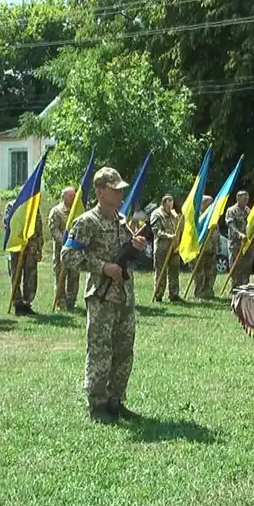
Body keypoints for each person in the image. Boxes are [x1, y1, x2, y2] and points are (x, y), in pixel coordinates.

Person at [61, 167, 148, 423]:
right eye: (115, 189)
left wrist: (137, 247)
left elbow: (126, 253)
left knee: (124, 350)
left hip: (124, 295)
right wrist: (102, 267)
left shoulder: (121, 220)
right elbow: (68, 255)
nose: (121, 193)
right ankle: (97, 404)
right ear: (100, 192)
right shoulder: (87, 221)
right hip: (102, 297)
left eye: (121, 189)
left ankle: (115, 400)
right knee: (101, 351)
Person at [5, 200, 43, 316]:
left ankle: (27, 303)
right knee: (15, 275)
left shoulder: (34, 205)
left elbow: (39, 228)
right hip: (16, 246)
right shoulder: (12, 205)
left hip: (31, 247)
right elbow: (8, 224)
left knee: (31, 276)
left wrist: (39, 246)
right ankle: (17, 304)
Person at [49, 187, 80, 310]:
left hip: (75, 251)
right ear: (63, 197)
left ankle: (71, 302)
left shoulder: (77, 211)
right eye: (70, 196)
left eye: (74, 195)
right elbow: (54, 230)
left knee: (74, 276)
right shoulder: (56, 211)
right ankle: (61, 302)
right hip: (60, 251)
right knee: (60, 276)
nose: (73, 198)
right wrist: (65, 243)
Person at [150, 194, 182, 302]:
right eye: (168, 205)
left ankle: (174, 294)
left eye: (171, 205)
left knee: (174, 271)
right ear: (163, 203)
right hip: (162, 248)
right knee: (161, 272)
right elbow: (156, 230)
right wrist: (168, 236)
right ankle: (158, 295)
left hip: (174, 247)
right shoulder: (156, 214)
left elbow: (179, 227)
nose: (170, 208)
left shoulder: (174, 214)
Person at [225, 191, 252, 289]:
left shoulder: (248, 211)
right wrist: (239, 234)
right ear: (238, 199)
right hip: (235, 243)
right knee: (235, 267)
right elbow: (231, 225)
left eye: (247, 199)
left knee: (246, 266)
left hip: (247, 243)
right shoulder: (231, 210)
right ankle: (235, 288)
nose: (246, 201)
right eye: (244, 199)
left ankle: (245, 287)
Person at [194, 195, 218, 299]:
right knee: (200, 273)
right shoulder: (197, 217)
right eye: (209, 204)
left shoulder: (213, 217)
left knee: (211, 271)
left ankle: (208, 291)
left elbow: (216, 233)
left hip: (211, 249)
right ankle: (199, 292)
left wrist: (217, 245)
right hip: (200, 249)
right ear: (203, 204)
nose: (211, 206)